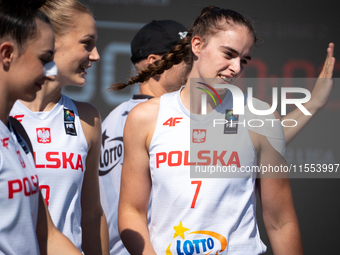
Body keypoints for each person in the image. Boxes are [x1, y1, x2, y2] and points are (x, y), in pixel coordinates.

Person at [117, 6, 308, 254]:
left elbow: (281, 221)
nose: (236, 68)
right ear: (197, 45)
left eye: (243, 60)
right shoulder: (145, 118)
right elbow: (131, 210)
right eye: (228, 54)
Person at [10, 0, 109, 254]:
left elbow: (92, 215)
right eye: (87, 43)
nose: (96, 55)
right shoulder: (5, 114)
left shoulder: (88, 118)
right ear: (51, 40)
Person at [99, 20, 188, 255]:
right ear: (154, 62)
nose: (194, 65)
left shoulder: (113, 117)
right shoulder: (162, 118)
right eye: (186, 57)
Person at [0, 0, 82, 254]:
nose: (50, 72)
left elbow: (46, 234)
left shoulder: (17, 133)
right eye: (44, 59)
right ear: (7, 54)